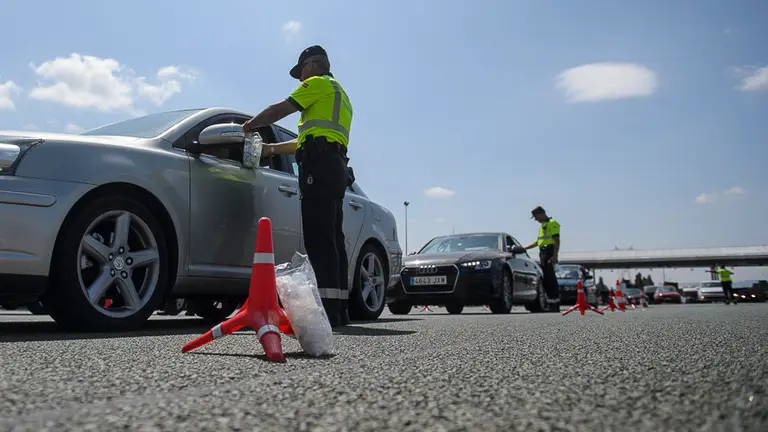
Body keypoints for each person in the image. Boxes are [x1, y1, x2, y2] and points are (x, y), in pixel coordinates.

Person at [241, 45, 353, 327]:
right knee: (333, 238)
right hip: (335, 165)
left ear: (312, 65)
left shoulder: (317, 84)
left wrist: (250, 126)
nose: (301, 79)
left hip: (318, 166)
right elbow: (305, 139)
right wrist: (271, 149)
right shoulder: (340, 95)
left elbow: (279, 110)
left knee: (318, 238)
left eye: (301, 72)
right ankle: (339, 309)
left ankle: (326, 312)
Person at [522, 206, 561, 307]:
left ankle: (555, 299)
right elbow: (538, 242)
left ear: (541, 214)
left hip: (549, 251)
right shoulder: (543, 225)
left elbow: (556, 240)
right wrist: (525, 248)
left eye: (536, 217)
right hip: (543, 251)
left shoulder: (552, 223)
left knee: (550, 276)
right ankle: (550, 299)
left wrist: (555, 255)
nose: (536, 219)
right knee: (546, 276)